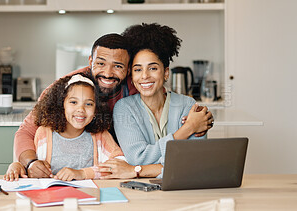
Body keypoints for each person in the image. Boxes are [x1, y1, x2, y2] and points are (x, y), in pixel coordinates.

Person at [14, 33, 213, 178]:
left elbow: (192, 157)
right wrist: (29, 163)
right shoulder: (65, 88)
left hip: (121, 172)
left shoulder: (137, 87)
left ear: (127, 70)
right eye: (100, 63)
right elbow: (26, 132)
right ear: (90, 61)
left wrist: (199, 118)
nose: (108, 73)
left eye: (118, 66)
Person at [100, 23, 213, 179]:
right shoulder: (124, 108)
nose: (145, 76)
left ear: (166, 72)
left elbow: (194, 163)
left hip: (184, 188)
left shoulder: (188, 106)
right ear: (131, 76)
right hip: (139, 192)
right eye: (138, 69)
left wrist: (136, 170)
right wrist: (188, 129)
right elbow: (137, 157)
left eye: (153, 68)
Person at [4, 73, 124, 181]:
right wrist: (16, 166)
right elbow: (30, 167)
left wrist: (83, 173)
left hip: (88, 197)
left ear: (96, 109)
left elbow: (121, 164)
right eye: (73, 102)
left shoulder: (100, 136)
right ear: (62, 104)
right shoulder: (44, 133)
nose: (81, 110)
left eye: (88, 104)